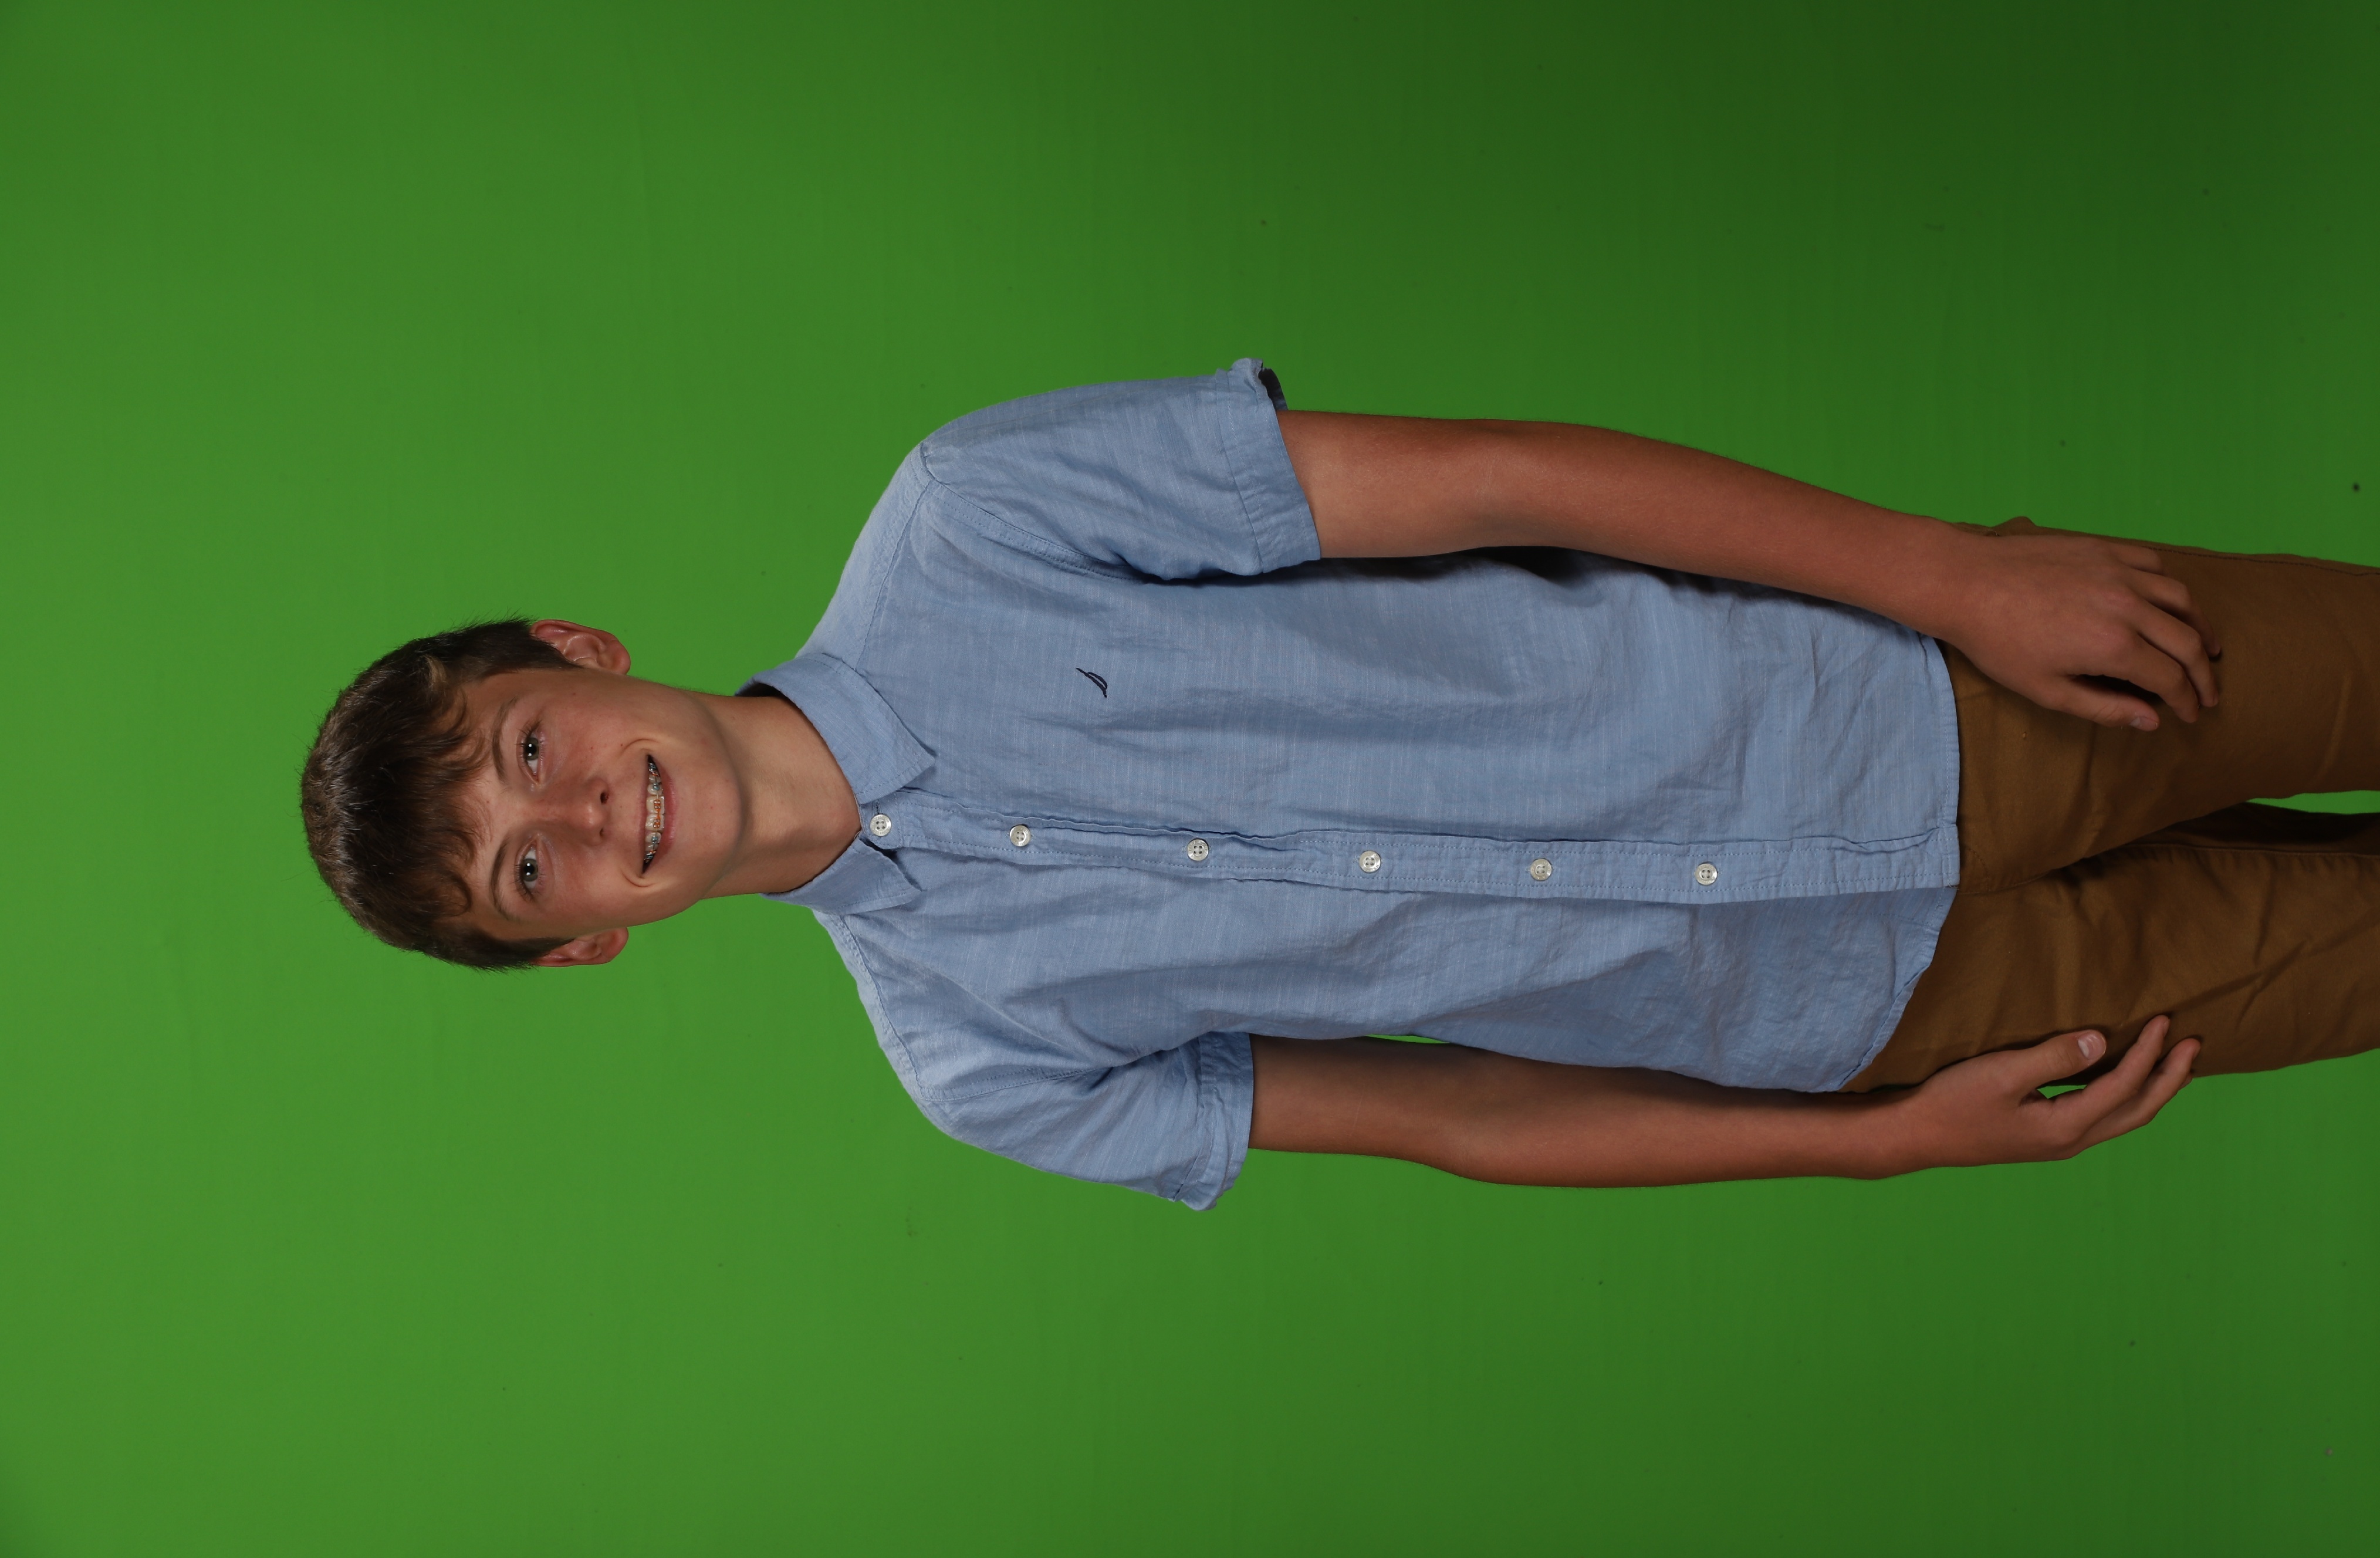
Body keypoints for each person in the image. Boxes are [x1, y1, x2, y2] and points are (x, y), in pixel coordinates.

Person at [300, 360, 2380, 1208]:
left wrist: (1945, 576)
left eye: (529, 754)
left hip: (1911, 690)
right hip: (1884, 1016)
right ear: (579, 949)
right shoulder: (977, 1062)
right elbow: (1458, 1112)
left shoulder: (969, 517)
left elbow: (1498, 479)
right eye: (527, 876)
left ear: (578, 652)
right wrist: (1870, 1145)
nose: (580, 819)